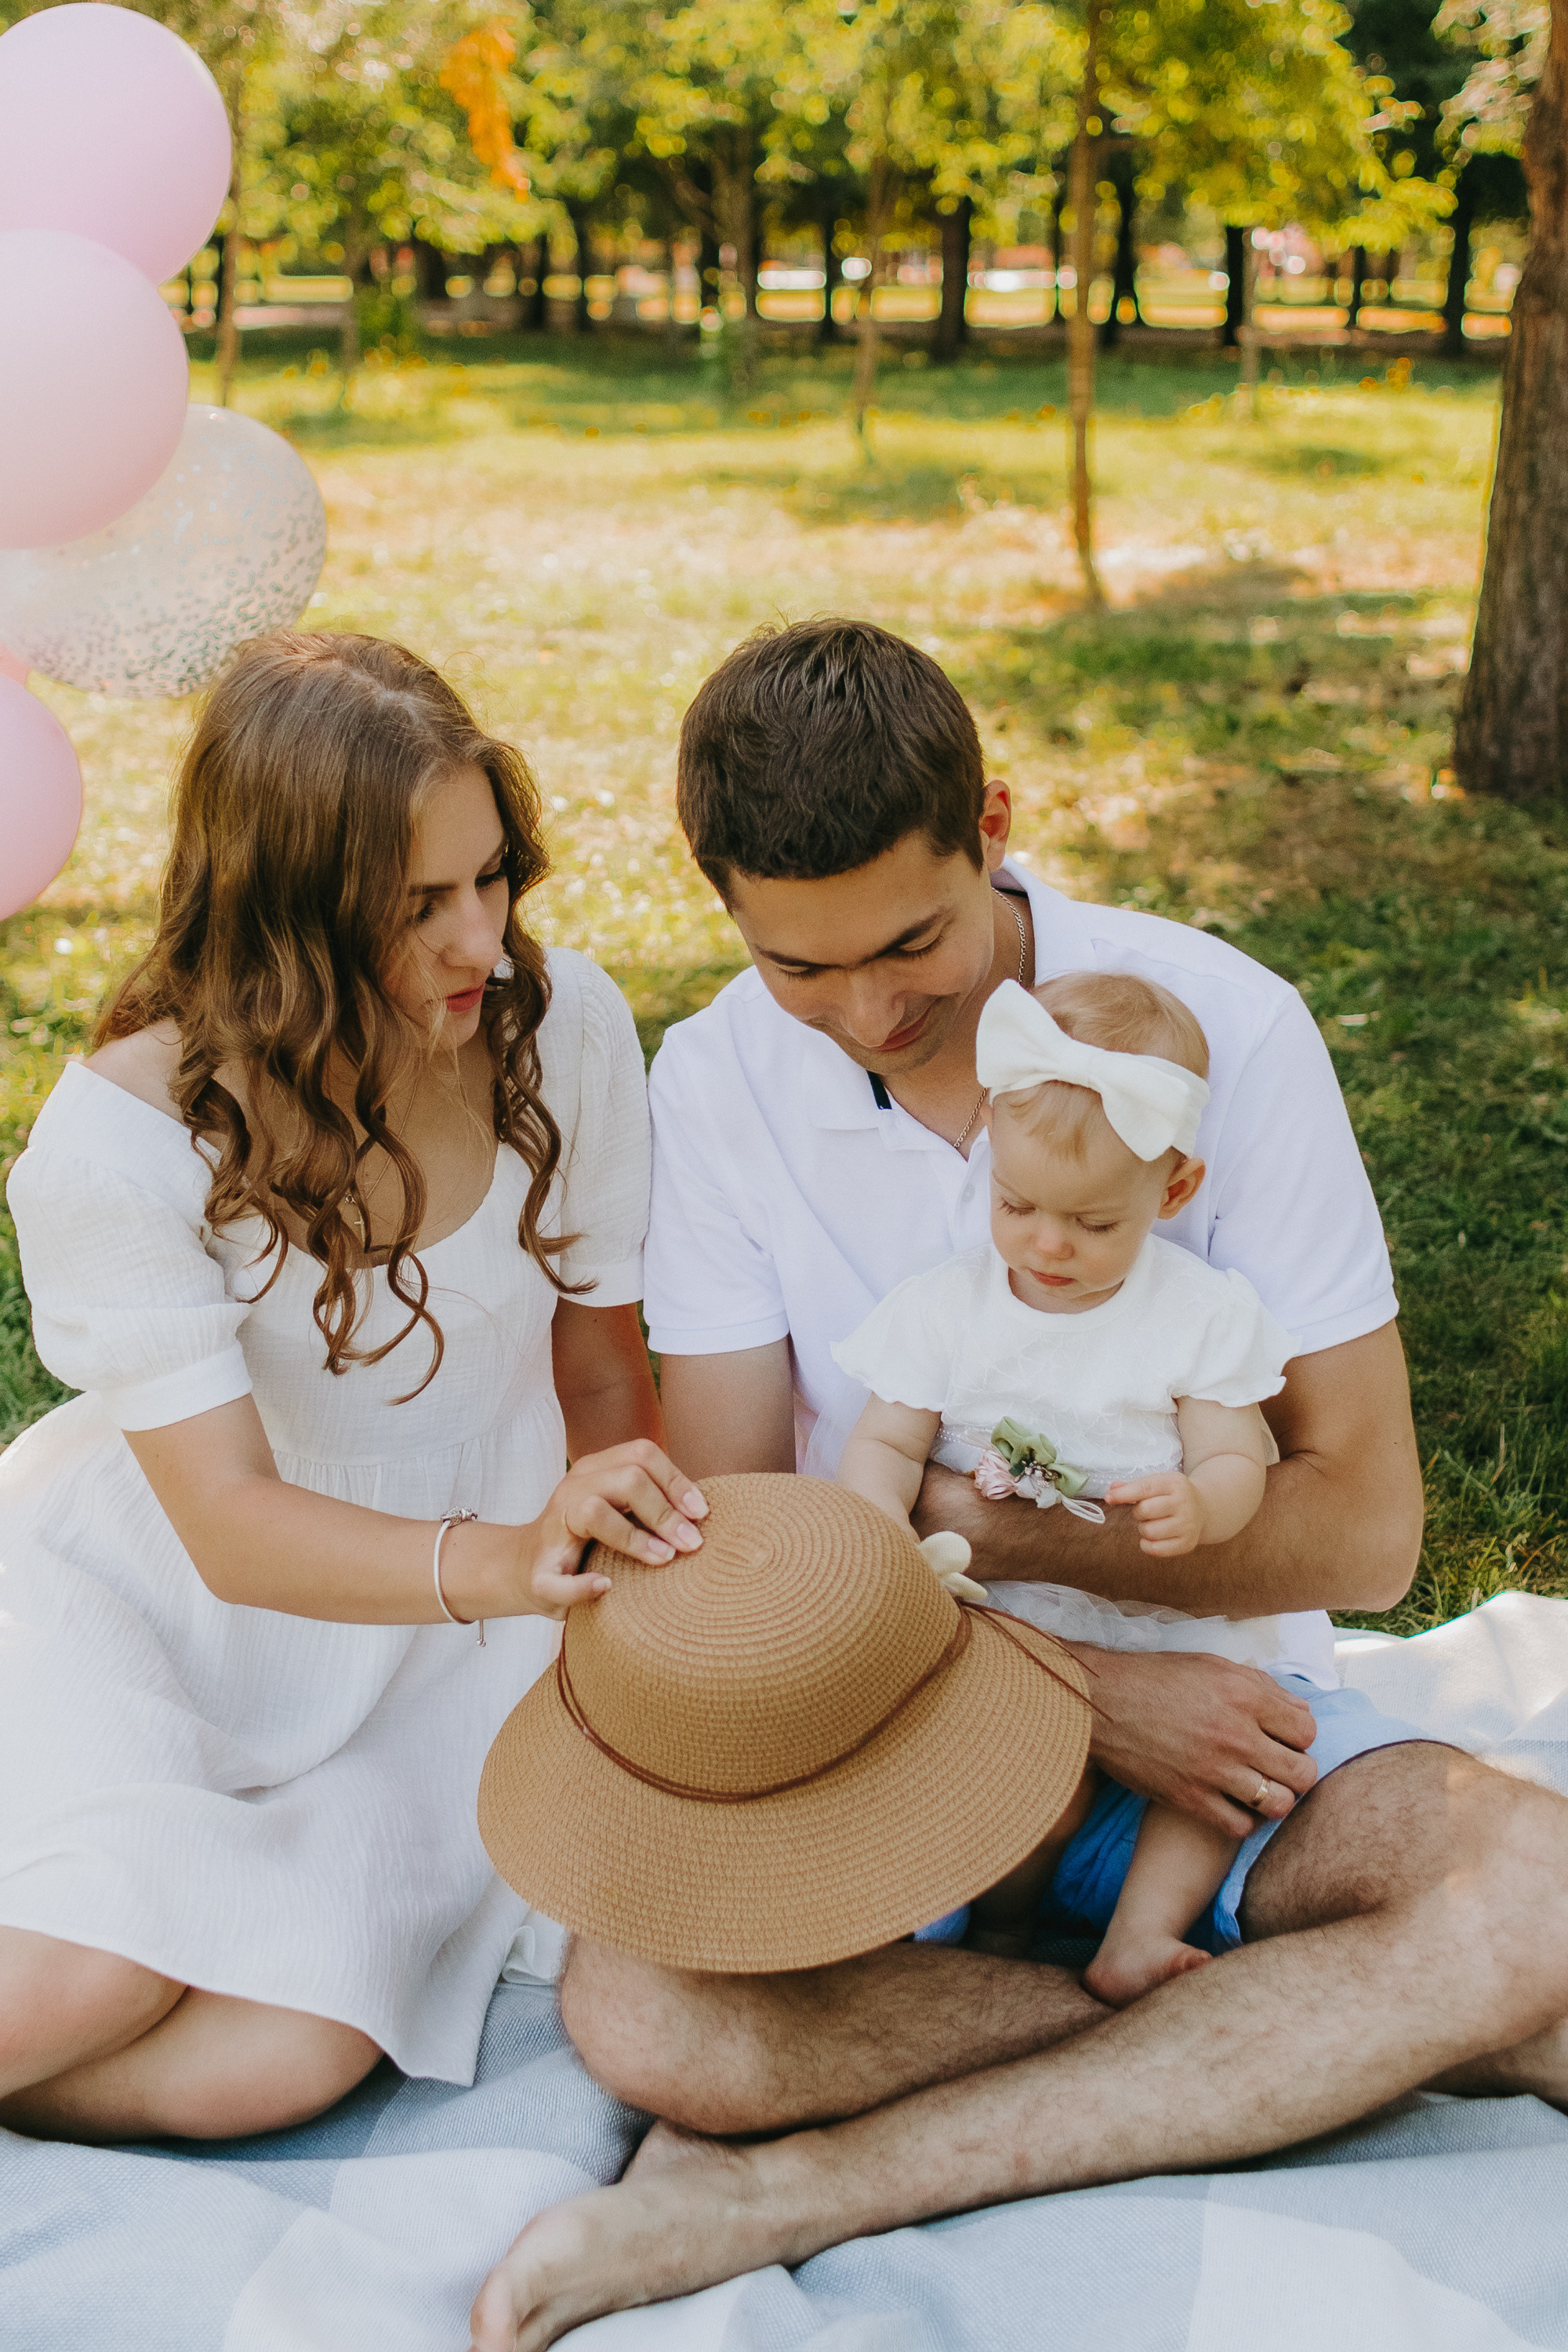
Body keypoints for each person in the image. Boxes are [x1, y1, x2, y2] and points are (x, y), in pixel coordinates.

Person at [468, 617, 1568, 2352]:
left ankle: (802, 2185)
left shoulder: (1224, 1034)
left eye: (910, 944)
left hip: (1227, 1758)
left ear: (992, 822)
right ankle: (1317, 2028)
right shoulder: (724, 1083)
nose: (872, 1014)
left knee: (1541, 1896)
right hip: (884, 1753)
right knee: (645, 2015)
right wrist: (1080, 1687)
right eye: (797, 969)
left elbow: (1367, 1527)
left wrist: (1011, 1553)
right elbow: (736, 1529)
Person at [0, 630, 706, 2146]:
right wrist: (512, 1565)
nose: (481, 943)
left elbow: (597, 1352)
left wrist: (609, 1591)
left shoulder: (557, 1022)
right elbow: (235, 1530)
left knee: (278, 2062)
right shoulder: (121, 1144)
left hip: (456, 1640)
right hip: (177, 1596)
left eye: (491, 878)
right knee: (85, 1974)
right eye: (418, 909)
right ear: (287, 927)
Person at [834, 969, 1307, 2002]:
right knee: (1020, 1791)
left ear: (1173, 1190)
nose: (1047, 1244)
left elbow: (1239, 1454)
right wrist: (882, 1541)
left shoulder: (1196, 1314)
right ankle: (998, 1936)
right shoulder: (945, 1310)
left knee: (1224, 1775)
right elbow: (884, 1446)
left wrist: (1208, 1503)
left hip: (1161, 1626)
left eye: (1093, 1224)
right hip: (1009, 1621)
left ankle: (1140, 1934)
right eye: (1017, 1205)